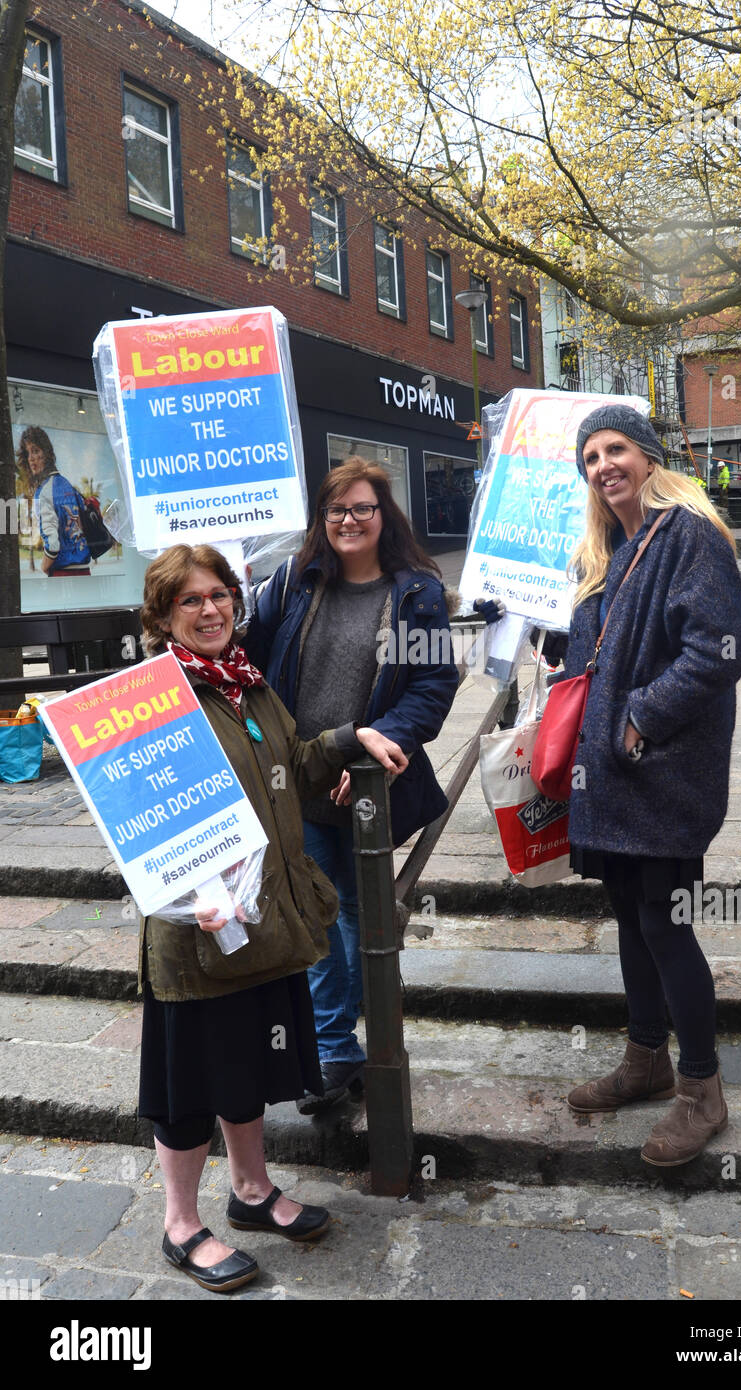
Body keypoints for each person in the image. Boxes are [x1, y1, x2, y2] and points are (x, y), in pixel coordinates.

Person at [137, 543, 406, 1293]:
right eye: (191, 600)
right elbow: (135, 816)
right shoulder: (152, 699)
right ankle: (181, 1225)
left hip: (265, 923)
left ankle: (252, 1194)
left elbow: (294, 757)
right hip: (197, 938)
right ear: (162, 616)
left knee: (248, 1069)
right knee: (189, 1085)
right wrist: (193, 897)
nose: (212, 609)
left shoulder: (246, 686)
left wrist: (351, 738)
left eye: (220, 593)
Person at [562, 405, 741, 1166]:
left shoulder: (686, 533)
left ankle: (700, 1089)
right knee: (630, 915)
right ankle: (645, 1060)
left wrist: (640, 715)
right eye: (589, 456)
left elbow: (720, 647)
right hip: (610, 777)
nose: (602, 464)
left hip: (662, 772)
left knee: (664, 922)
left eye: (615, 449)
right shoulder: (607, 548)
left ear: (646, 457)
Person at [243, 458, 460, 1113]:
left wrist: (376, 748)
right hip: (299, 780)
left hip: (369, 785)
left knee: (363, 918)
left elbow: (431, 686)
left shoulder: (414, 593)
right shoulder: (295, 585)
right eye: (337, 510)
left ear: (382, 516)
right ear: (322, 519)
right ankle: (337, 1050)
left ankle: (371, 1042)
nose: (348, 520)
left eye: (362, 508)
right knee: (316, 919)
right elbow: (248, 665)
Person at [16, 426, 91, 576]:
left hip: (61, 574)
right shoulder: (68, 485)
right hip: (84, 570)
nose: (31, 458)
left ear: (47, 453)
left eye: (35, 451)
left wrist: (44, 566)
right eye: (28, 453)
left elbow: (53, 544)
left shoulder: (43, 491)